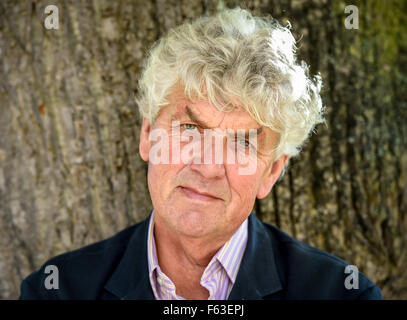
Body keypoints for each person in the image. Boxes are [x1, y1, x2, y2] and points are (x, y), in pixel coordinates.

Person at [20, 7, 382, 300]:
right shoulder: (57, 291)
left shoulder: (343, 295)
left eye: (242, 142)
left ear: (272, 172)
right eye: (190, 129)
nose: (208, 167)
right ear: (147, 135)